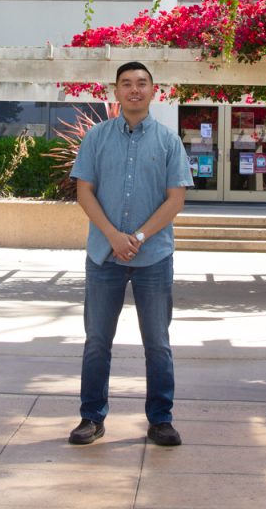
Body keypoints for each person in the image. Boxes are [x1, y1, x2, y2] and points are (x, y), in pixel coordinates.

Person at [67, 61, 194, 447]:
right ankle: (91, 418)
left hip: (153, 256)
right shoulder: (96, 138)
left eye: (142, 83)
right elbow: (84, 190)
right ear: (116, 92)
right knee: (97, 342)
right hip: (104, 257)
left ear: (154, 91)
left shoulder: (169, 141)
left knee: (157, 342)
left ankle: (161, 420)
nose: (134, 90)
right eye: (127, 84)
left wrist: (136, 236)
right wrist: (113, 236)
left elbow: (176, 199)